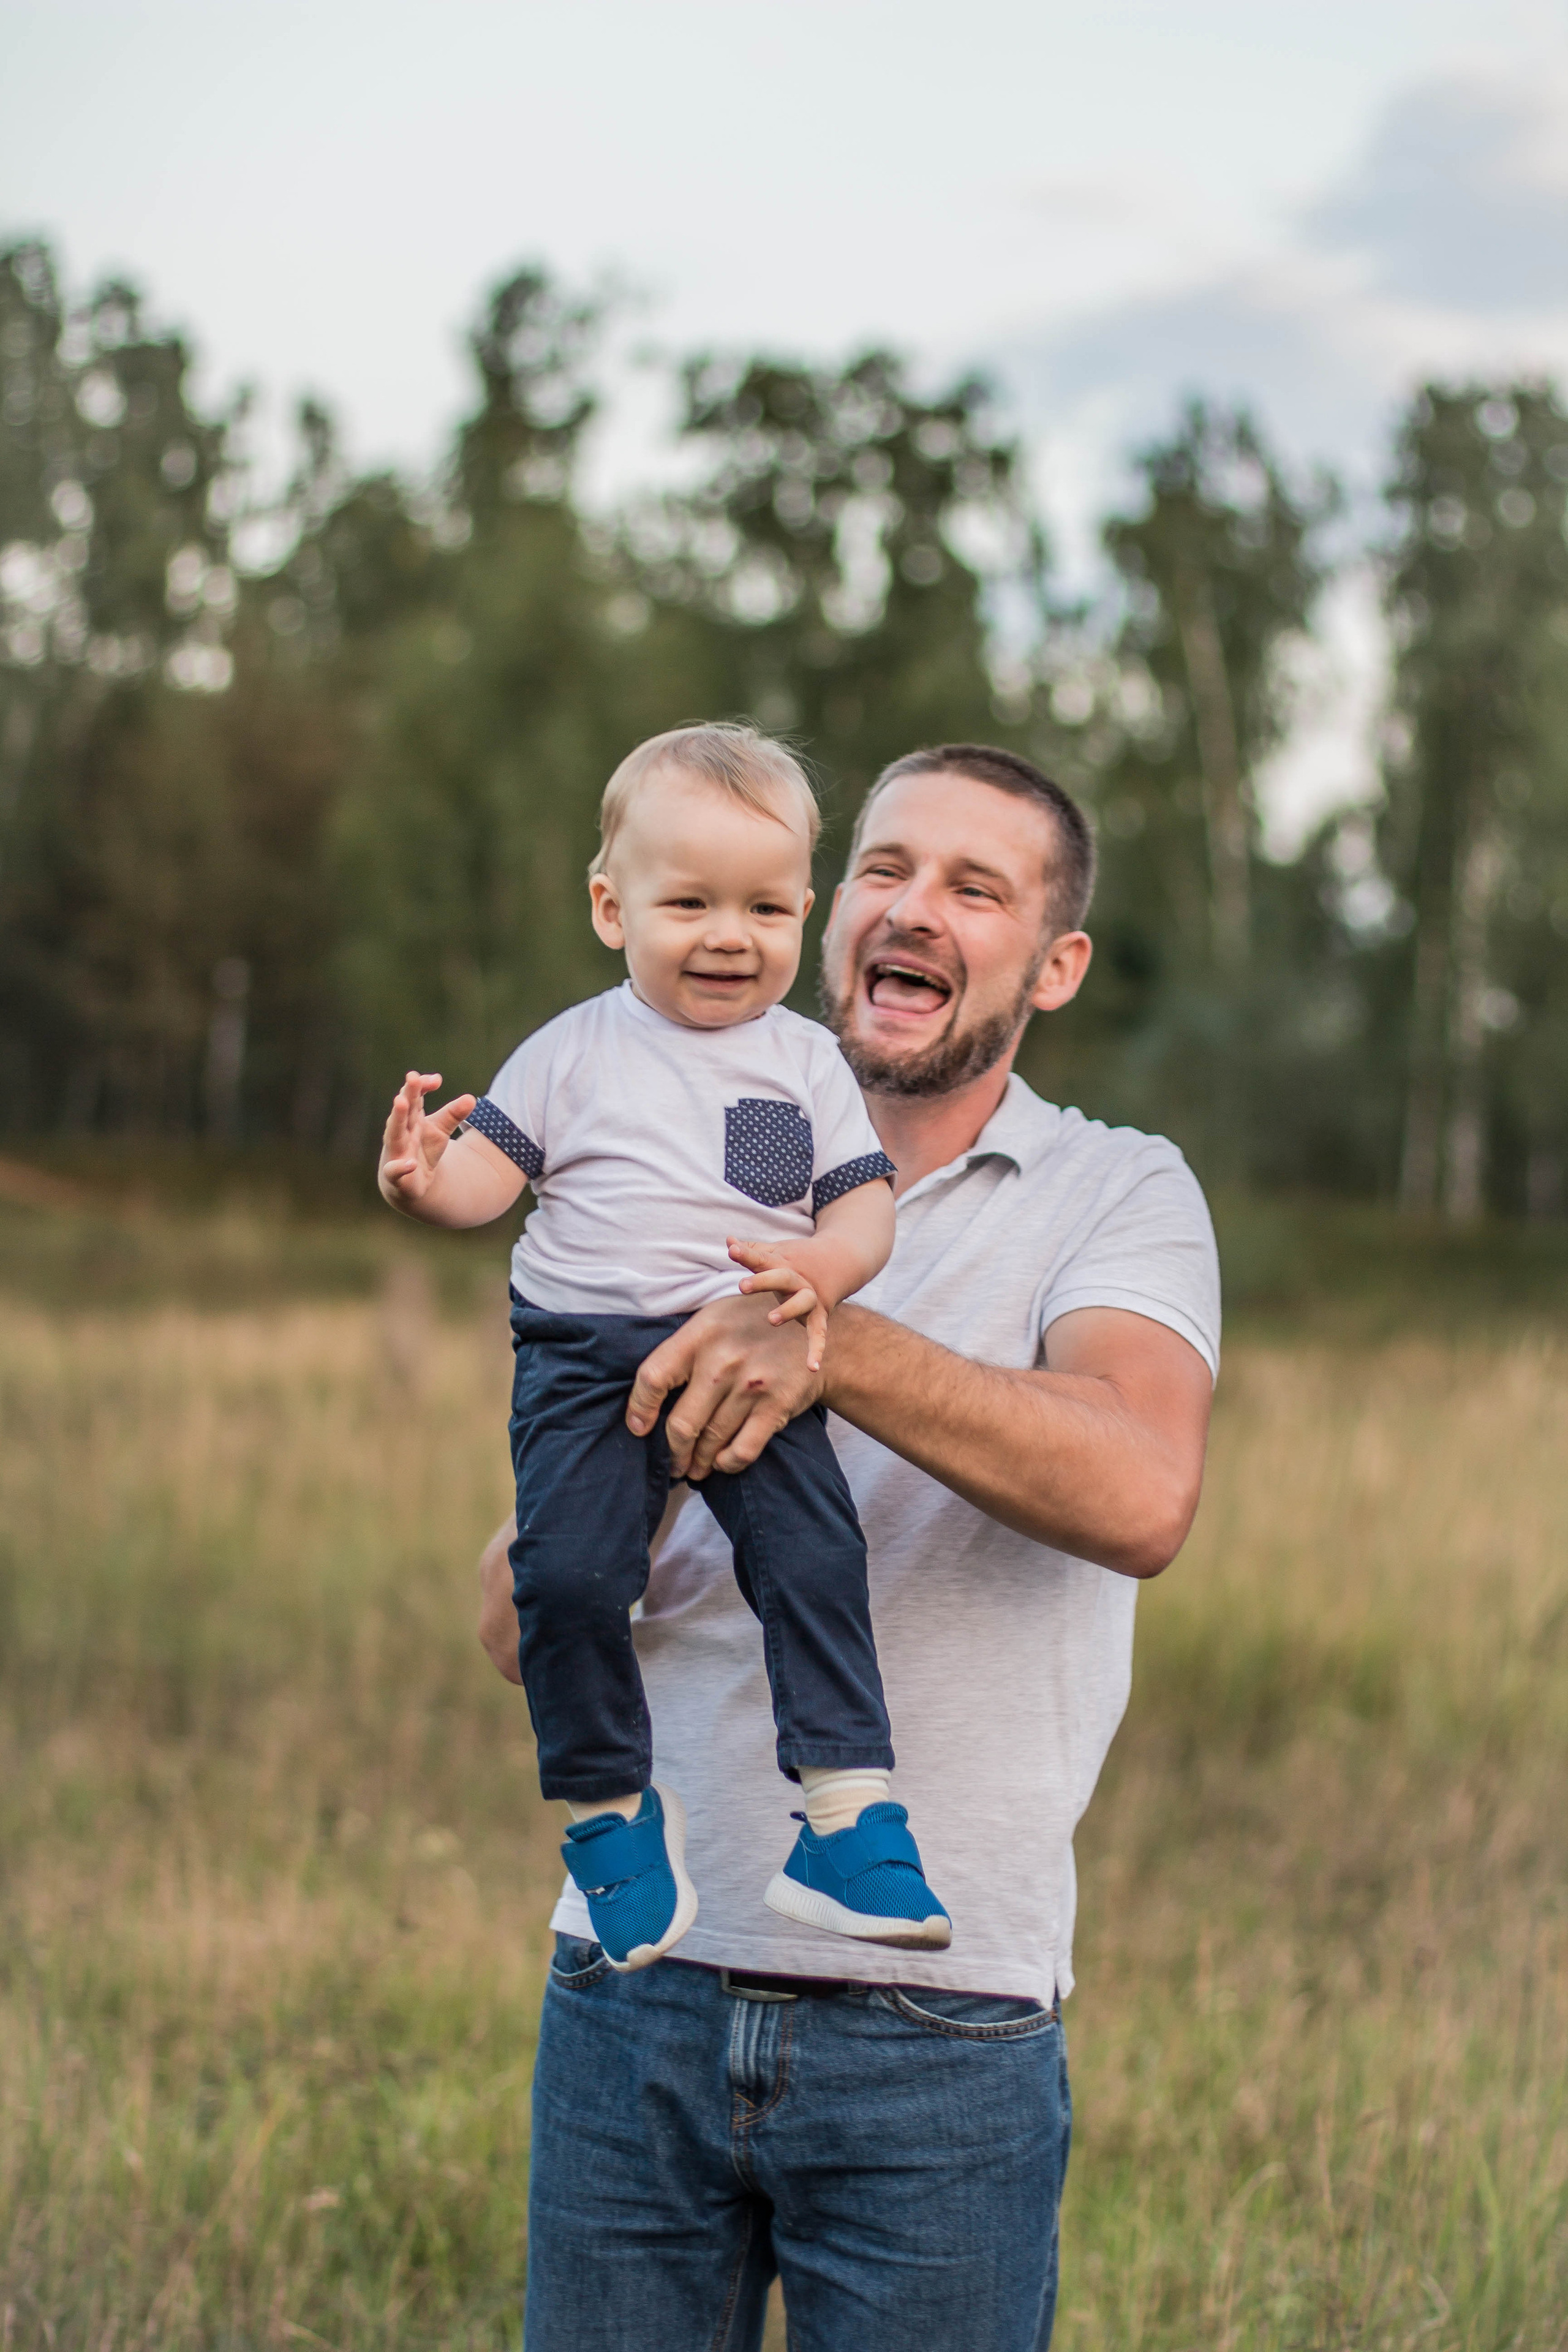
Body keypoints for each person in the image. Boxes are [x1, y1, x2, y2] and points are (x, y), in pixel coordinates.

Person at [478, 741, 1221, 2351]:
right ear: (831, 914)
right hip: (633, 1992)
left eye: (978, 887)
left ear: (1056, 961)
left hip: (936, 2023)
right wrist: (617, 1456)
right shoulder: (672, 1136)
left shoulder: (1113, 1193)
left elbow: (1143, 1489)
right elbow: (514, 1612)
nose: (918, 909)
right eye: (888, 868)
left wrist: (833, 1338)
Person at [380, 723, 951, 1974]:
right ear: (609, 905)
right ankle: (609, 1814)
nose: (727, 935)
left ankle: (846, 1820)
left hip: (756, 1345)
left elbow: (862, 1203)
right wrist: (427, 1181)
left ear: (804, 911)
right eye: (686, 902)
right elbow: (487, 1182)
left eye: (762, 907)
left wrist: (821, 1272)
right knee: (569, 1583)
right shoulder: (571, 1052)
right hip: (584, 1363)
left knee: (812, 1559)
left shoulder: (805, 1064)